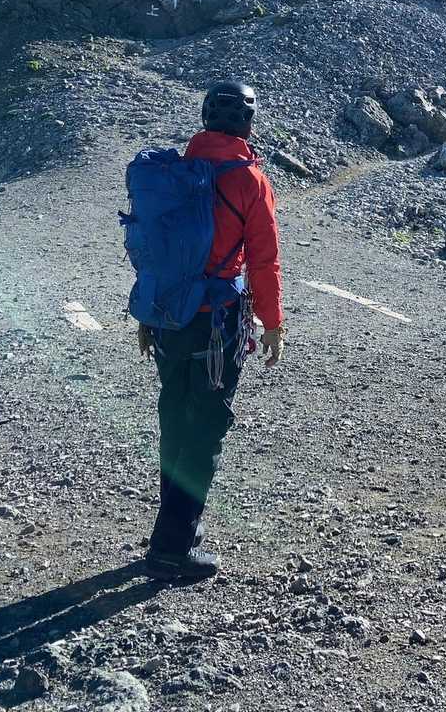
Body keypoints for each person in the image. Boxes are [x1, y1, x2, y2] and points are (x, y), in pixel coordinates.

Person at [139, 81, 284, 580]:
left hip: (168, 316)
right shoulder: (250, 180)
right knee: (205, 429)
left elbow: (152, 250)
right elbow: (263, 261)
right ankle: (171, 549)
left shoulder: (177, 170)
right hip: (217, 322)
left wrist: (147, 317)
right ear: (249, 123)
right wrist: (273, 324)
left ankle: (177, 528)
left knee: (175, 419)